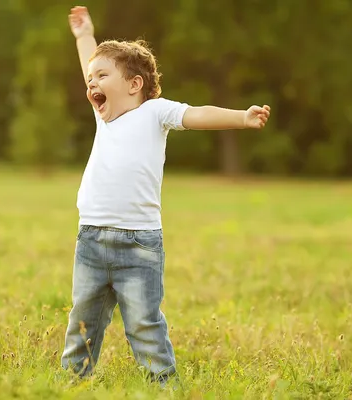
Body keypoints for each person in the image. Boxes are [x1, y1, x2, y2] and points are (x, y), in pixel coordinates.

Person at [61, 6, 271, 384]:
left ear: (134, 84)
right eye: (90, 79)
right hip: (90, 237)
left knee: (143, 323)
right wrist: (83, 36)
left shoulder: (156, 112)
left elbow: (198, 114)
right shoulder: (102, 117)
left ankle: (163, 384)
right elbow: (87, 65)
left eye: (102, 76)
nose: (91, 83)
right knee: (82, 319)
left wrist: (242, 117)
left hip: (139, 244)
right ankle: (72, 381)